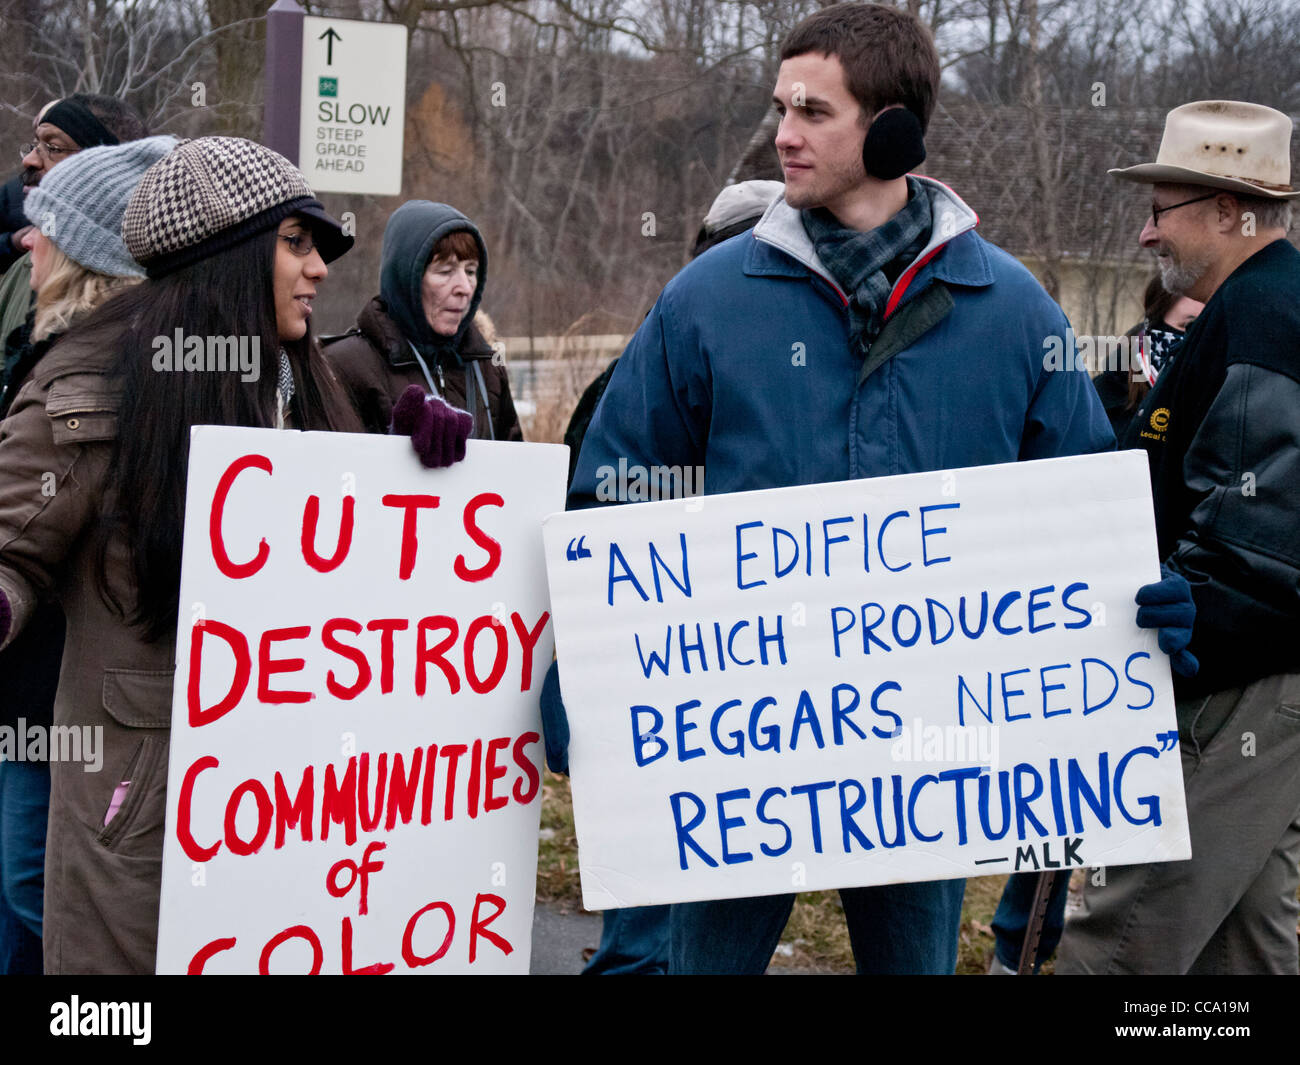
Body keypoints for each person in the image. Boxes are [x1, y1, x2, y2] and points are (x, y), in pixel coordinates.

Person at [547, 2, 1144, 975]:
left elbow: (1083, 515)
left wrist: (1135, 607)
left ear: (893, 131)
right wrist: (589, 655)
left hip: (928, 753)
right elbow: (615, 492)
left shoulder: (1012, 311)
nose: (782, 133)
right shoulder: (708, 300)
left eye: (813, 112)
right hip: (739, 739)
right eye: (781, 106)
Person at [0, 135, 382, 973]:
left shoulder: (305, 384)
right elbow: (13, 551)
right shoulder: (91, 387)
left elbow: (369, 576)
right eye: (295, 242)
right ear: (227, 256)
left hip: (294, 798)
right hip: (140, 812)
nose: (318, 268)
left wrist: (431, 468)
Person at [1058, 100, 1300, 975]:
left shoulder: (1264, 318)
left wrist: (1201, 609)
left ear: (1231, 211)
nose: (1146, 233)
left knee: (1118, 943)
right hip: (1252, 680)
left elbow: (1259, 526)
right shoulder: (1250, 305)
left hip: (1233, 685)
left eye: (1161, 210)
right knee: (1241, 947)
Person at [0, 134, 176, 976]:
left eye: (46, 227)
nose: (26, 240)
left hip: (79, 718)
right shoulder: (110, 363)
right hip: (77, 712)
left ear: (87, 253)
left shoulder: (85, 378)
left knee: (42, 895)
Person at [324, 200, 522, 444]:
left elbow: (514, 470)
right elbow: (333, 471)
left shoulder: (487, 367)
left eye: (470, 272)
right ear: (406, 278)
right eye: (445, 271)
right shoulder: (344, 365)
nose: (464, 288)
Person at [0, 95, 148, 383]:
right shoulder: (22, 272)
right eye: (34, 145)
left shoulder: (155, 293)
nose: (29, 160)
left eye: (53, 148)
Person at [1091, 274, 1203, 439]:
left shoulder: (1225, 392)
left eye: (1205, 325)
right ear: (1155, 326)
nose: (1198, 335)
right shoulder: (1106, 394)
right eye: (1187, 325)